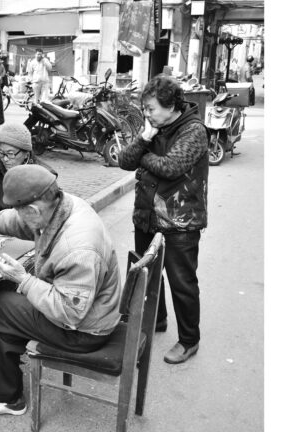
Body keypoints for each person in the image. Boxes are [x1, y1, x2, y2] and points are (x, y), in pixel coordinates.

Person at [0, 164, 122, 418]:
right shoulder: (60, 205)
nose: (17, 216)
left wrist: (24, 280)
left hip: (85, 330)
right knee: (1, 309)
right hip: (82, 307)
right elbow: (15, 221)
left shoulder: (78, 247)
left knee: (0, 304)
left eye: (21, 211)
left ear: (32, 209)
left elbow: (70, 313)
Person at [118, 74, 209, 364]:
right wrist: (144, 139)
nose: (147, 114)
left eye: (152, 108)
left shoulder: (194, 131)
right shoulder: (152, 129)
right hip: (146, 215)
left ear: (171, 107)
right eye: (144, 108)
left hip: (180, 221)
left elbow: (170, 167)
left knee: (181, 282)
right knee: (146, 273)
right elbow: (123, 161)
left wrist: (142, 153)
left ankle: (189, 340)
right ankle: (156, 320)